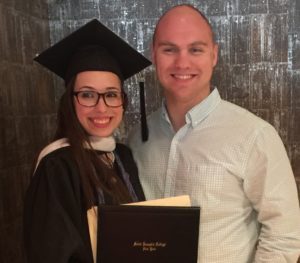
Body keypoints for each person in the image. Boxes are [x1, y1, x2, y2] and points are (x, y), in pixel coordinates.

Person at [129, 4, 300, 262]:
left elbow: (284, 235)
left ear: (214, 55)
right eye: (169, 49)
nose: (182, 62)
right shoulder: (135, 140)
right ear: (154, 55)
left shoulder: (255, 136)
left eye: (195, 49)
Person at [23, 19, 151, 263]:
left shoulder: (122, 156)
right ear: (70, 101)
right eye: (88, 95)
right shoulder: (57, 166)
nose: (101, 107)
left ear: (123, 101)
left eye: (111, 95)